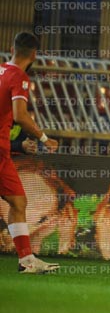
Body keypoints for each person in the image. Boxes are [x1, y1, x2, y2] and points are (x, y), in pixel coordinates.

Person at [0, 31, 60, 273]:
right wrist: (44, 138)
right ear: (34, 55)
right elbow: (20, 115)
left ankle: (26, 261)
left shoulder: (1, 70)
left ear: (11, 49)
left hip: (4, 151)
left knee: (18, 201)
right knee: (18, 202)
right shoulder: (20, 77)